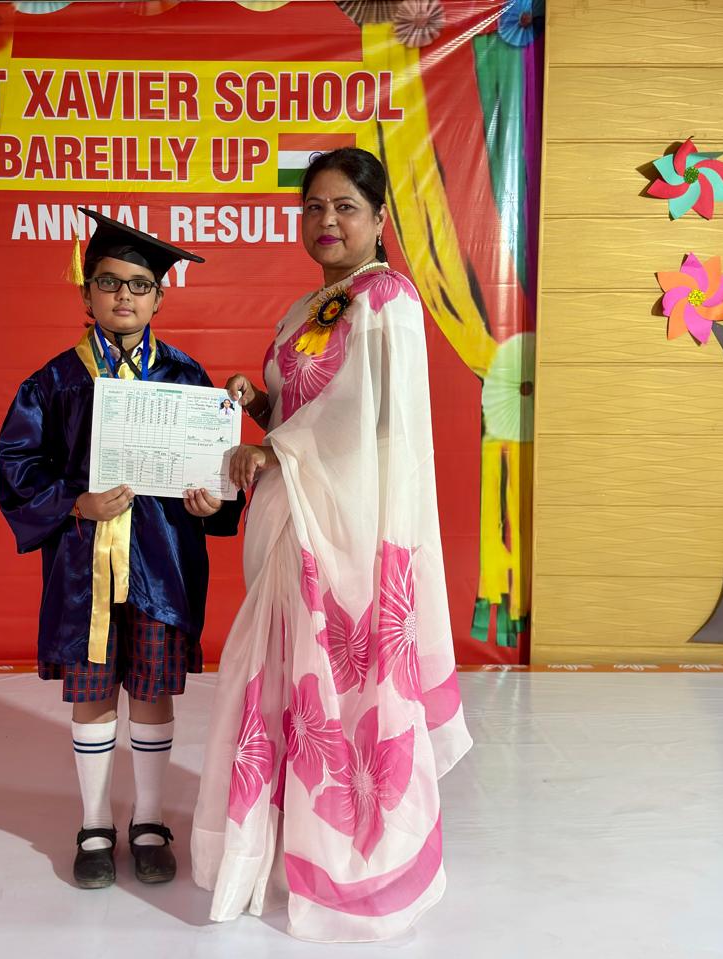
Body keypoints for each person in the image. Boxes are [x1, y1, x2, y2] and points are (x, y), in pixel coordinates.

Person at [190, 149, 473, 941]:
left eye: (345, 206)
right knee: (285, 682)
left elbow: (369, 420)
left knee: (338, 690)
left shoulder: (385, 298)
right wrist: (258, 402)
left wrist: (275, 448)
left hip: (346, 530)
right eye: (313, 206)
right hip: (294, 517)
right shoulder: (310, 306)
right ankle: (280, 851)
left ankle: (351, 860)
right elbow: (304, 408)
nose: (327, 221)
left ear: (379, 219)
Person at [0, 208, 243, 890]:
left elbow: (215, 472)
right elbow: (18, 467)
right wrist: (76, 502)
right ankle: (97, 823)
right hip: (86, 568)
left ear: (160, 296)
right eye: (108, 282)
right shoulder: (54, 383)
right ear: (87, 293)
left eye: (139, 284)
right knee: (94, 691)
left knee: (153, 690)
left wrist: (213, 503)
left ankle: (151, 821)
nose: (124, 295)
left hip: (162, 564)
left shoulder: (188, 380)